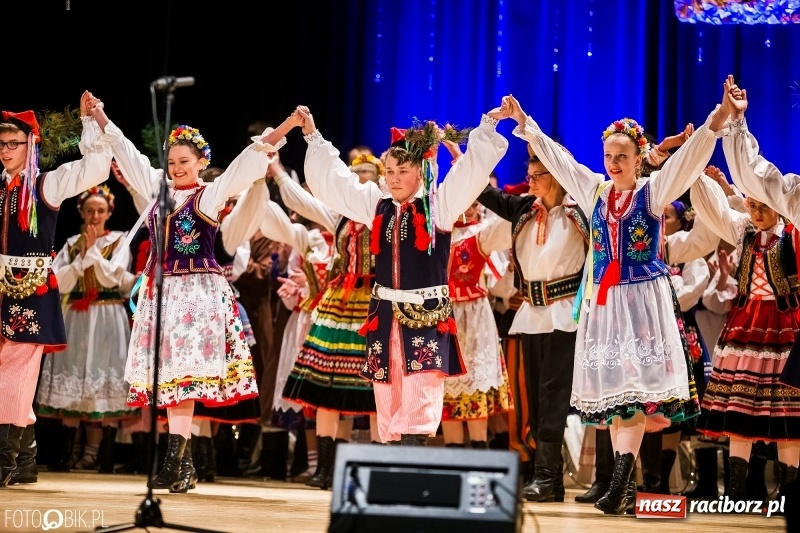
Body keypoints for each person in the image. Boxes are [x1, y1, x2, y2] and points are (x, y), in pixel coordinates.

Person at [505, 90, 724, 514]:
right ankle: (622, 487)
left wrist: (718, 117)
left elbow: (686, 160)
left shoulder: (654, 191)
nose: (613, 163)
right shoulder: (597, 192)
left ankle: (622, 481)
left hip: (643, 302)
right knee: (618, 397)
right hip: (607, 305)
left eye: (621, 156)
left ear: (639, 157)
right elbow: (561, 162)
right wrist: (525, 122)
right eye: (608, 155)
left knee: (637, 393)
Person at [90, 103, 300, 492]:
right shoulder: (159, 190)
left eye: (184, 161)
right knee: (170, 381)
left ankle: (176, 463)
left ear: (202, 161)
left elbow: (247, 161)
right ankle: (180, 464)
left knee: (184, 380)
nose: (176, 168)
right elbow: (125, 151)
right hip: (162, 295)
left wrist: (288, 124)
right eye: (171, 161)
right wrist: (100, 115)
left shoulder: (208, 195)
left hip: (196, 297)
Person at [297, 99, 510, 445]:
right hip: (384, 315)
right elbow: (336, 184)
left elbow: (469, 173)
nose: (394, 179)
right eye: (390, 172)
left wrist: (487, 127)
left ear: (421, 171)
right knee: (388, 388)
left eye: (403, 172)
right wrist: (314, 139)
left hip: (425, 314)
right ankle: (393, 461)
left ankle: (412, 455)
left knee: (421, 388)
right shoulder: (376, 205)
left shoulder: (439, 206)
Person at [0, 91, 115, 488]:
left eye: (13, 143)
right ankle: (26, 459)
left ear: (31, 145)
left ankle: (4, 460)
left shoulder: (47, 185)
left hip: (30, 291)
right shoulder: (0, 189)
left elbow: (97, 167)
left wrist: (90, 121)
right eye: (1, 143)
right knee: (9, 376)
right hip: (0, 294)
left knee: (15, 375)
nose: (5, 150)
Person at [478, 144, 589, 502]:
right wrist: (462, 157)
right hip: (531, 312)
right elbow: (484, 192)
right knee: (534, 399)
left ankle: (546, 475)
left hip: (565, 311)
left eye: (537, 175)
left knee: (554, 395)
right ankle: (548, 478)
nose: (529, 181)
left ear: (556, 175)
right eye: (529, 175)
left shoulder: (581, 211)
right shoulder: (524, 208)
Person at [691, 162, 800, 501]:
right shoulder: (744, 233)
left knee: (787, 413)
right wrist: (693, 171)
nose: (756, 212)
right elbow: (718, 209)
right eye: (751, 205)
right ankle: (736, 490)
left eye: (762, 205)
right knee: (739, 410)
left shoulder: (793, 234)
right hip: (745, 326)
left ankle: (787, 490)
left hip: (784, 326)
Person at [278, 153, 381, 487]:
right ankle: (325, 469)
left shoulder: (389, 214)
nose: (362, 187)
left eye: (368, 181)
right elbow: (302, 201)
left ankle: (372, 471)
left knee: (374, 391)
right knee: (325, 387)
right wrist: (277, 171)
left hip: (375, 303)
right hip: (338, 304)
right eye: (357, 181)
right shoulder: (339, 217)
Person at [35, 184, 138, 473]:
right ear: (81, 211)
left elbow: (112, 279)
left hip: (108, 317)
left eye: (100, 210)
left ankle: (101, 454)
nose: (95, 215)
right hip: (77, 317)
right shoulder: (70, 244)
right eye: (90, 210)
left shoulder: (120, 241)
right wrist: (82, 258)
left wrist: (92, 252)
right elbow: (58, 281)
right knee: (76, 375)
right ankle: (68, 453)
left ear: (109, 213)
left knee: (102, 376)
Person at [441, 196, 513, 452]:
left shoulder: (481, 233)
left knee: (474, 384)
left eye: (473, 203)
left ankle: (480, 460)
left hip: (475, 319)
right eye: (465, 201)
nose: (469, 208)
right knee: (446, 389)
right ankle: (453, 463)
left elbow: (501, 287)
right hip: (443, 317)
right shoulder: (438, 233)